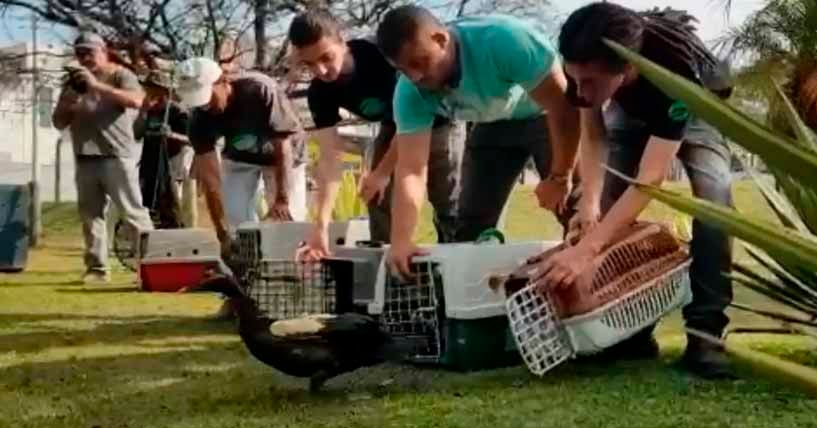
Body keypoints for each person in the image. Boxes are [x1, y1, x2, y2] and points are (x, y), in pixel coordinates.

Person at [535, 2, 736, 379]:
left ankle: (706, 333)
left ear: (626, 68)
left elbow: (651, 178)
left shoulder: (676, 67)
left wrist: (586, 251)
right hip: (630, 110)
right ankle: (626, 331)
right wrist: (589, 204)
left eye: (590, 82)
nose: (580, 91)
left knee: (715, 200)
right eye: (575, 79)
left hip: (693, 108)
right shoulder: (585, 67)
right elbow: (594, 135)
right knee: (605, 207)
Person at [375, 6, 580, 279]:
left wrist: (560, 177)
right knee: (470, 229)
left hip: (543, 114)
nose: (416, 77)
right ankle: (481, 297)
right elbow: (412, 170)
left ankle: (586, 286)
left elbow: (564, 107)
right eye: (404, 69)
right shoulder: (410, 91)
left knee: (576, 209)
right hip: (491, 124)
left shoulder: (504, 40)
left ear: (440, 39)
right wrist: (401, 240)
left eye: (420, 62)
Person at [288, 10, 464, 260]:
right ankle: (387, 266)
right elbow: (329, 159)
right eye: (309, 64)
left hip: (437, 119)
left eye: (326, 57)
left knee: (447, 199)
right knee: (376, 194)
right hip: (393, 126)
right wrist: (321, 226)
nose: (321, 70)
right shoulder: (319, 93)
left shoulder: (379, 55)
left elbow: (411, 121)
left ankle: (455, 260)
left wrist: (382, 172)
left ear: (341, 41)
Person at [175, 57, 306, 255]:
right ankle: (249, 263)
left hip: (284, 156)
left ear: (223, 81)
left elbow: (283, 146)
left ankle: (289, 264)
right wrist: (222, 234)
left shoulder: (259, 89)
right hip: (240, 156)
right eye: (199, 102)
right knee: (234, 215)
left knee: (287, 222)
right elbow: (211, 182)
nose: (206, 106)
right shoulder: (198, 120)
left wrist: (282, 199)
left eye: (208, 97)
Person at [52, 32, 153, 284]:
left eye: (90, 52)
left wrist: (96, 86)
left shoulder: (120, 75)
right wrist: (70, 99)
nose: (85, 58)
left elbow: (136, 100)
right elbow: (58, 122)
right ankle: (97, 269)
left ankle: (151, 267)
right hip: (84, 157)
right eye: (80, 53)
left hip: (116, 155)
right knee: (91, 216)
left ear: (103, 51)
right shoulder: (72, 83)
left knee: (132, 214)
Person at [136, 70, 196, 229]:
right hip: (150, 163)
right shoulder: (149, 110)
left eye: (151, 87)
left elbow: (192, 140)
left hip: (172, 164)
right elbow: (136, 134)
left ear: (163, 90)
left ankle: (178, 230)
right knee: (149, 202)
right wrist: (142, 113)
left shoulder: (177, 111)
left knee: (172, 202)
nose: (147, 90)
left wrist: (171, 135)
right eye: (147, 87)